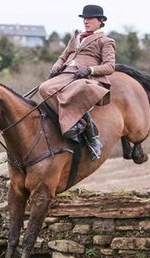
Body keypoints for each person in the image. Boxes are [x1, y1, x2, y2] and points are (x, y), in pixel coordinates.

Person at [39, 4, 115, 160]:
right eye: (85, 18)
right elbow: (63, 57)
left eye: (90, 18)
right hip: (66, 74)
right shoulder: (75, 37)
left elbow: (110, 66)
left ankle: (92, 137)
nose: (86, 21)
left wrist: (90, 70)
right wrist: (56, 67)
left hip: (86, 77)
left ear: (100, 21)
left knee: (76, 90)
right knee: (44, 88)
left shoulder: (105, 41)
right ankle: (73, 123)